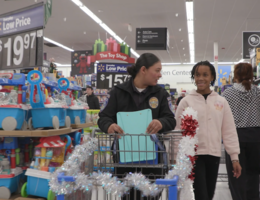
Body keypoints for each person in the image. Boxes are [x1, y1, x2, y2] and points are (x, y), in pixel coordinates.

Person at [98, 53, 176, 200]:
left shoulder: (161, 94)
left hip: (153, 159)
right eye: (157, 70)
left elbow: (171, 119)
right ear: (143, 70)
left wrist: (161, 122)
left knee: (152, 196)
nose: (160, 75)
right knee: (127, 196)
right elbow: (103, 117)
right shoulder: (117, 92)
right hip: (124, 157)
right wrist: (109, 126)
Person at [174, 61, 241, 200]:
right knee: (201, 195)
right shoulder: (186, 101)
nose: (200, 78)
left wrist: (234, 157)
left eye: (205, 75)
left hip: (214, 155)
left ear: (212, 77)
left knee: (209, 194)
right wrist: (176, 158)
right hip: (194, 156)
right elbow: (177, 130)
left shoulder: (221, 101)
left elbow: (229, 130)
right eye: (197, 75)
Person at [222, 63, 260, 200]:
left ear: (235, 75)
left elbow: (223, 118)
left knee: (236, 175)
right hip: (256, 138)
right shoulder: (257, 92)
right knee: (254, 176)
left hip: (235, 137)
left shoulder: (227, 94)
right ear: (251, 75)